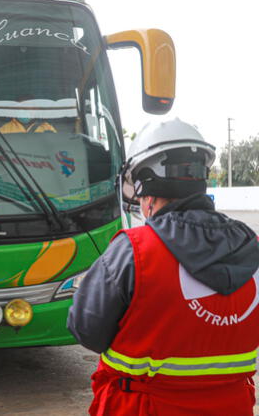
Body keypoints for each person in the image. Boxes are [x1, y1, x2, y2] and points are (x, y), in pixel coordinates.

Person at [67, 118, 259, 415]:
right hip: (232, 406)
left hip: (145, 406)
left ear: (148, 191)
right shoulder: (253, 246)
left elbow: (86, 330)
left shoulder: (134, 250)